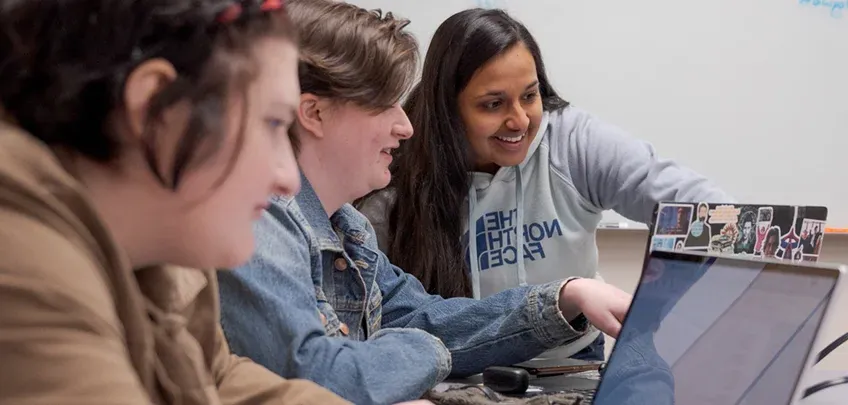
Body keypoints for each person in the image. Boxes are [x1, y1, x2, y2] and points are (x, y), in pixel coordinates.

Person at [217, 1, 631, 404]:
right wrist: (424, 350)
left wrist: (565, 296)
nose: (406, 125)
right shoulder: (260, 222)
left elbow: (428, 318)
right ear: (315, 113)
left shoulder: (346, 226)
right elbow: (323, 376)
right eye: (384, 104)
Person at [0, 0, 355, 403]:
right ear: (157, 107)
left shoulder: (164, 248)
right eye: (273, 123)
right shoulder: (20, 253)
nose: (288, 179)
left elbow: (215, 378)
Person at [357, 8, 733, 361]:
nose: (519, 120)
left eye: (530, 95)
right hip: (459, 365)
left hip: (574, 361)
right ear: (448, 109)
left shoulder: (573, 141)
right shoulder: (393, 170)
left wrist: (667, 292)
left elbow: (714, 214)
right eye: (493, 104)